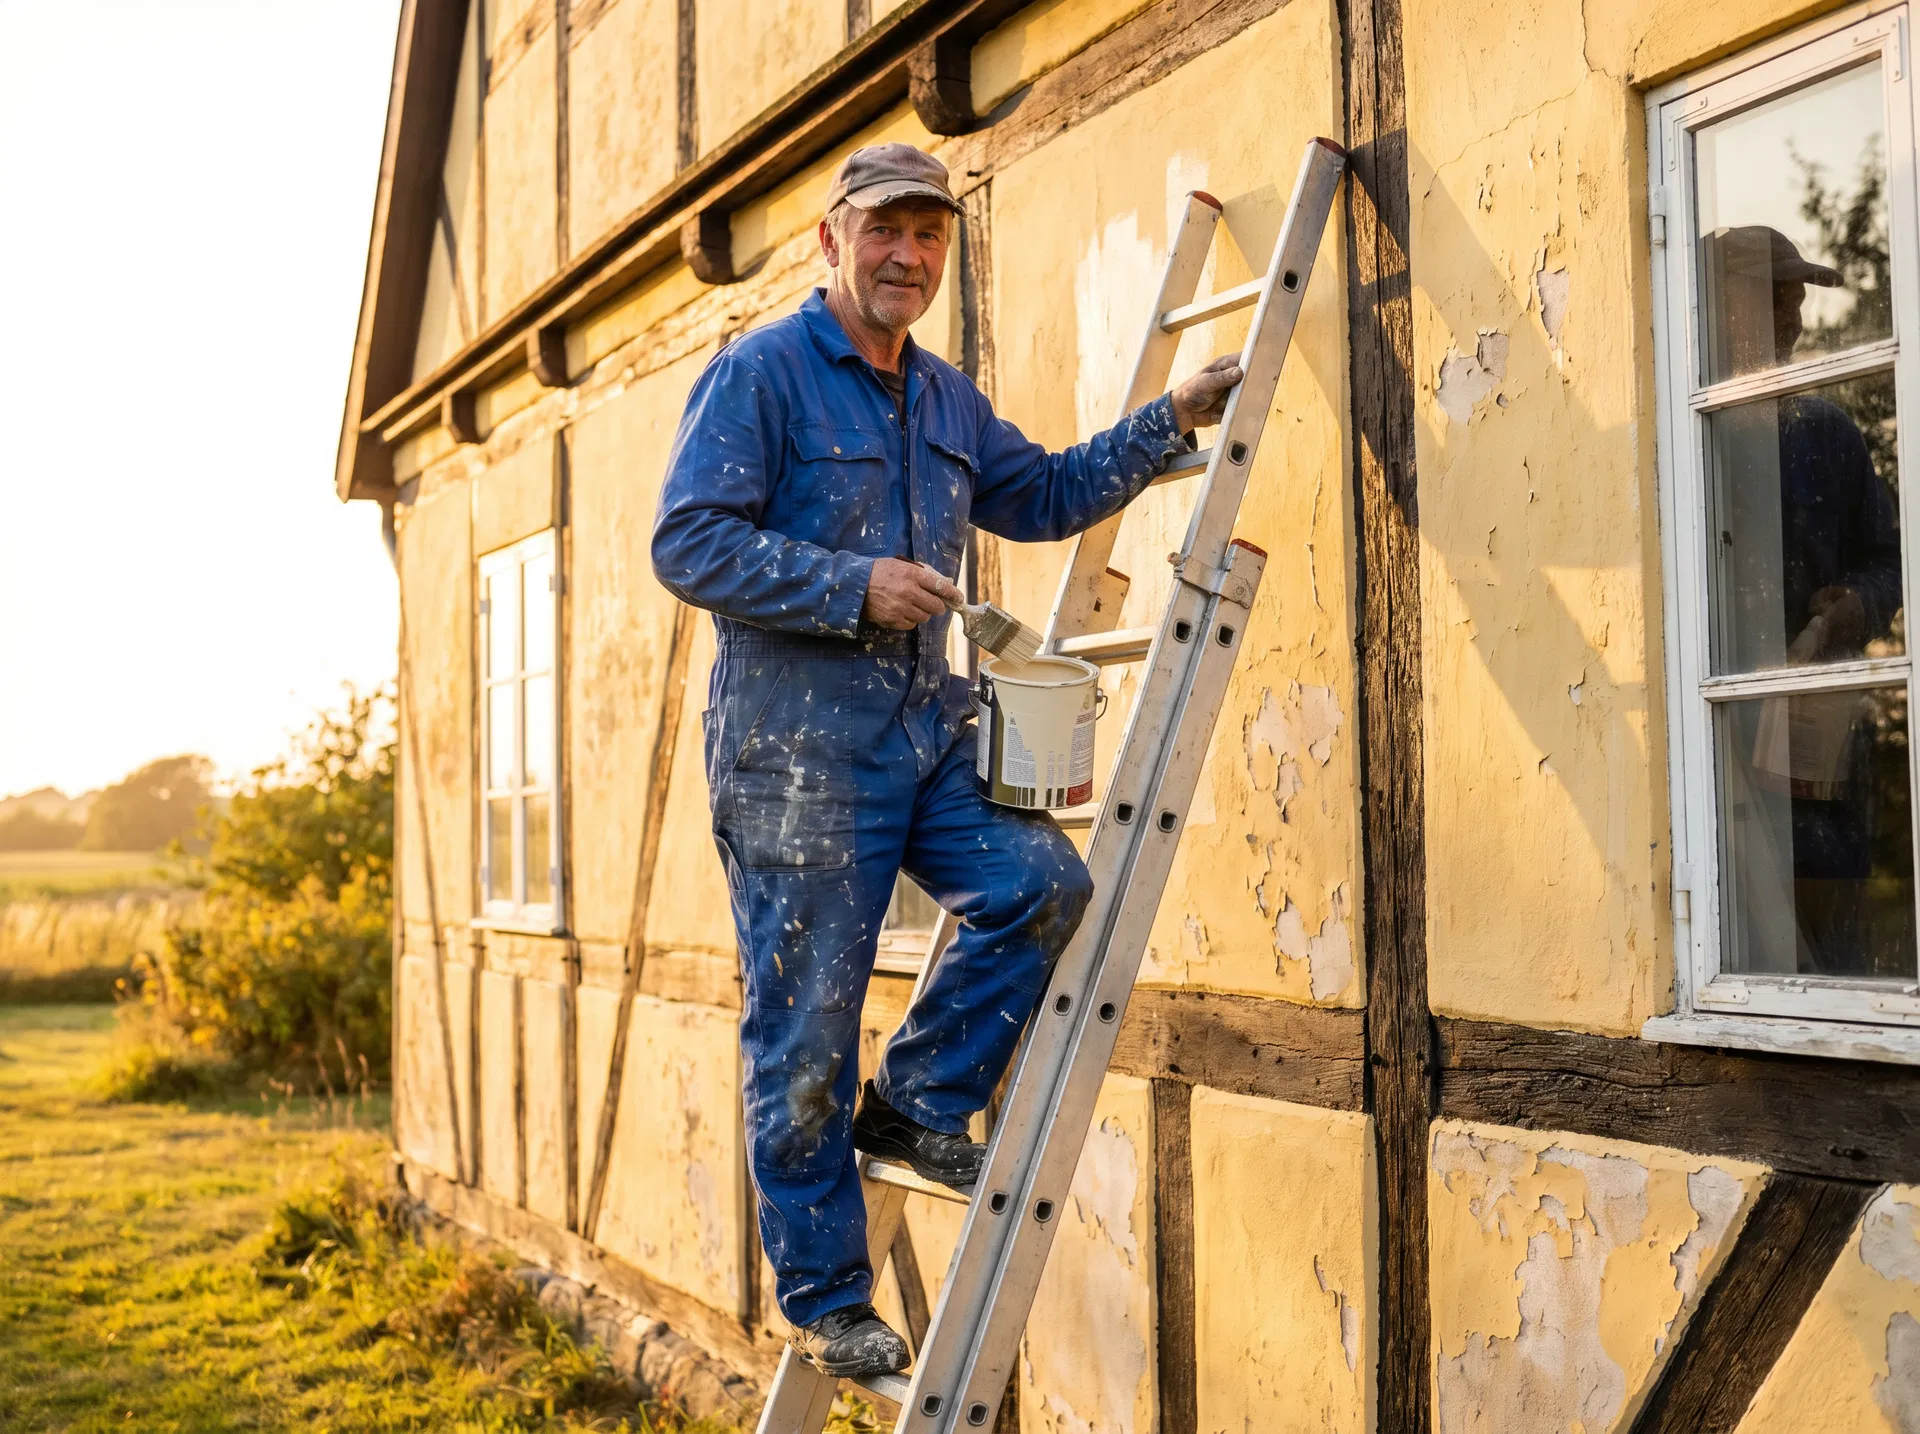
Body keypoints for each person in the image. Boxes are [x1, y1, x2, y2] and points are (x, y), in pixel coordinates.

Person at [651, 142, 1241, 1378]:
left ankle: (917, 1102)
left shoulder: (945, 399)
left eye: (928, 237)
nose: (907, 256)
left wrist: (1166, 422)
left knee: (1043, 887)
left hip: (925, 741)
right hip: (796, 765)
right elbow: (687, 543)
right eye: (884, 232)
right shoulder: (760, 376)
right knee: (804, 1032)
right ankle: (825, 1295)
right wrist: (849, 585)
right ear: (832, 239)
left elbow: (1037, 493)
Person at [1706, 225, 1904, 975]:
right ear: (1719, 308)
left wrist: (1858, 602)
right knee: (1734, 958)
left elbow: (1889, 560)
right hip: (1712, 758)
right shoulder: (1682, 430)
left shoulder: (1828, 435)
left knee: (1838, 972)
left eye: (1793, 299)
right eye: (1774, 298)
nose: (1793, 318)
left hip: (1818, 764)